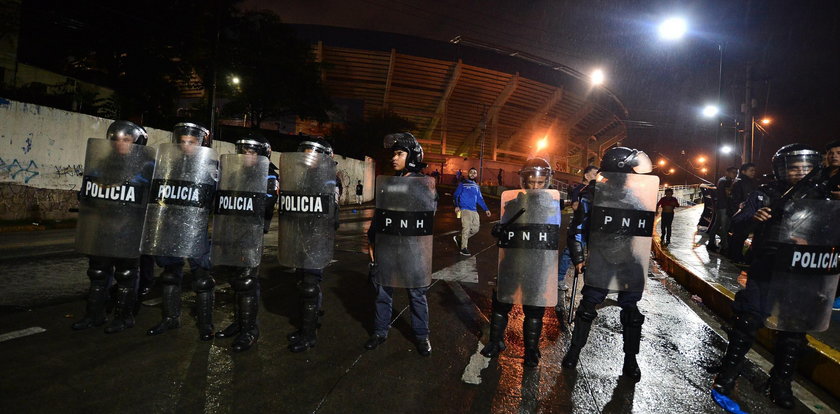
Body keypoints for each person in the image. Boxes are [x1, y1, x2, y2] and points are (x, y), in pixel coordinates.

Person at [712, 144, 832, 409]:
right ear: (782, 169)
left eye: (806, 167)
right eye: (793, 167)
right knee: (748, 319)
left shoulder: (823, 198)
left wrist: (812, 241)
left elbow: (831, 230)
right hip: (767, 267)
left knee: (794, 331)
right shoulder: (765, 194)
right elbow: (737, 223)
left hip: (803, 271)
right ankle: (727, 375)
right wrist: (755, 218)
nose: (800, 172)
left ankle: (780, 383)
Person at [561, 146, 657, 381]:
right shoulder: (592, 195)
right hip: (602, 257)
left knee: (632, 312)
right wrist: (579, 258)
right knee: (587, 307)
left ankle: (630, 360)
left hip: (630, 260)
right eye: (635, 171)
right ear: (621, 169)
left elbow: (642, 232)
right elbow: (577, 229)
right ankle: (574, 351)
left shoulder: (638, 196)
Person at [72, 120, 154, 333]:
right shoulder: (104, 163)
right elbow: (94, 185)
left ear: (137, 142)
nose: (120, 144)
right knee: (98, 272)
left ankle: (123, 317)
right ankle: (94, 315)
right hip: (104, 227)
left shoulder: (147, 166)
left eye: (126, 139)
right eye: (116, 139)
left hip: (129, 229)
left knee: (126, 275)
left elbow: (142, 189)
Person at [482, 158, 561, 367]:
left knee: (534, 309)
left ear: (547, 181)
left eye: (540, 182)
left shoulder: (552, 205)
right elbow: (504, 227)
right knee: (501, 303)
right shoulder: (513, 202)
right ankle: (495, 341)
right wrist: (498, 229)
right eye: (531, 181)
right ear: (523, 180)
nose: (535, 186)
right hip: (512, 262)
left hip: (538, 264)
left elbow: (553, 237)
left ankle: (531, 350)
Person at [365, 132, 437, 356]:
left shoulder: (424, 185)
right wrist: (372, 240)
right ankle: (379, 331)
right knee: (383, 289)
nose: (394, 158)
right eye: (393, 154)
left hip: (413, 248)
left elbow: (428, 215)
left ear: (412, 156)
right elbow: (380, 214)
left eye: (399, 153)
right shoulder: (389, 183)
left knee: (416, 292)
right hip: (388, 245)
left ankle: (422, 336)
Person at [145, 122, 217, 341]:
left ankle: (206, 324)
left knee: (202, 278)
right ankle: (170, 318)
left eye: (192, 142)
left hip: (197, 228)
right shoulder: (168, 164)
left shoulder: (211, 167)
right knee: (169, 275)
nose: (186, 146)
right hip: (171, 227)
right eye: (182, 141)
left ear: (201, 143)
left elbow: (217, 198)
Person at [213, 132, 277, 352]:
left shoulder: (269, 175)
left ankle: (249, 330)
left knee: (247, 281)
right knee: (235, 280)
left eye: (251, 152)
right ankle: (239, 322)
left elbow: (266, 204)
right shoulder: (236, 172)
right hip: (232, 231)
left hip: (251, 234)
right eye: (243, 152)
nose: (246, 156)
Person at [282, 137, 340, 353]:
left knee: (309, 284)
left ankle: (308, 335)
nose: (308, 157)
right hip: (300, 237)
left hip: (316, 239)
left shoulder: (330, 180)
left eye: (312, 154)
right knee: (301, 283)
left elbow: (331, 214)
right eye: (305, 153)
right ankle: (306, 325)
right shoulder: (303, 177)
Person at [557, 166, 599, 296]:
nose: (597, 177)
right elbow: (575, 206)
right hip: (580, 228)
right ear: (586, 176)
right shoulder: (580, 189)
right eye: (594, 174)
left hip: (592, 230)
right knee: (570, 253)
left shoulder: (598, 190)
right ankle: (558, 279)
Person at [453, 167, 491, 256]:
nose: (473, 174)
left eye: (475, 172)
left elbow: (480, 199)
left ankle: (460, 238)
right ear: (468, 174)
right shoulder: (463, 183)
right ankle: (463, 248)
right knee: (466, 228)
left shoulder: (476, 186)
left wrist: (486, 209)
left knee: (475, 229)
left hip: (474, 210)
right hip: (465, 209)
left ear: (476, 175)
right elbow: (455, 195)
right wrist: (456, 206)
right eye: (471, 172)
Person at [727, 163, 758, 262]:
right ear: (744, 171)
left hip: (744, 213)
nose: (753, 172)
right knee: (740, 236)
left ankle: (735, 256)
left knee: (739, 236)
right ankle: (736, 257)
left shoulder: (742, 181)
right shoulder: (742, 182)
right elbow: (737, 199)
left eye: (754, 170)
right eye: (751, 170)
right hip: (743, 214)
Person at [706, 167, 738, 252]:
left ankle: (711, 243)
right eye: (733, 172)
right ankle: (725, 246)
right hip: (724, 206)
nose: (734, 174)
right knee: (724, 227)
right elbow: (729, 194)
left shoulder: (721, 180)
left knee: (716, 225)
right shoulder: (726, 181)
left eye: (736, 173)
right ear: (727, 172)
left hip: (720, 205)